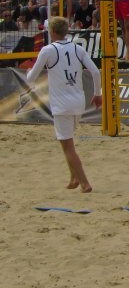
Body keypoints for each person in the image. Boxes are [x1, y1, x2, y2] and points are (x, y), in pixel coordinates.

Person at [26, 16, 102, 192]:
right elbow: (95, 72)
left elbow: (31, 78)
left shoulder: (47, 50)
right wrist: (97, 94)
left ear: (52, 32)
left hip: (62, 104)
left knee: (68, 146)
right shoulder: (77, 48)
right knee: (66, 141)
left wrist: (29, 71)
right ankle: (73, 178)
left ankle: (84, 183)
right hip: (78, 102)